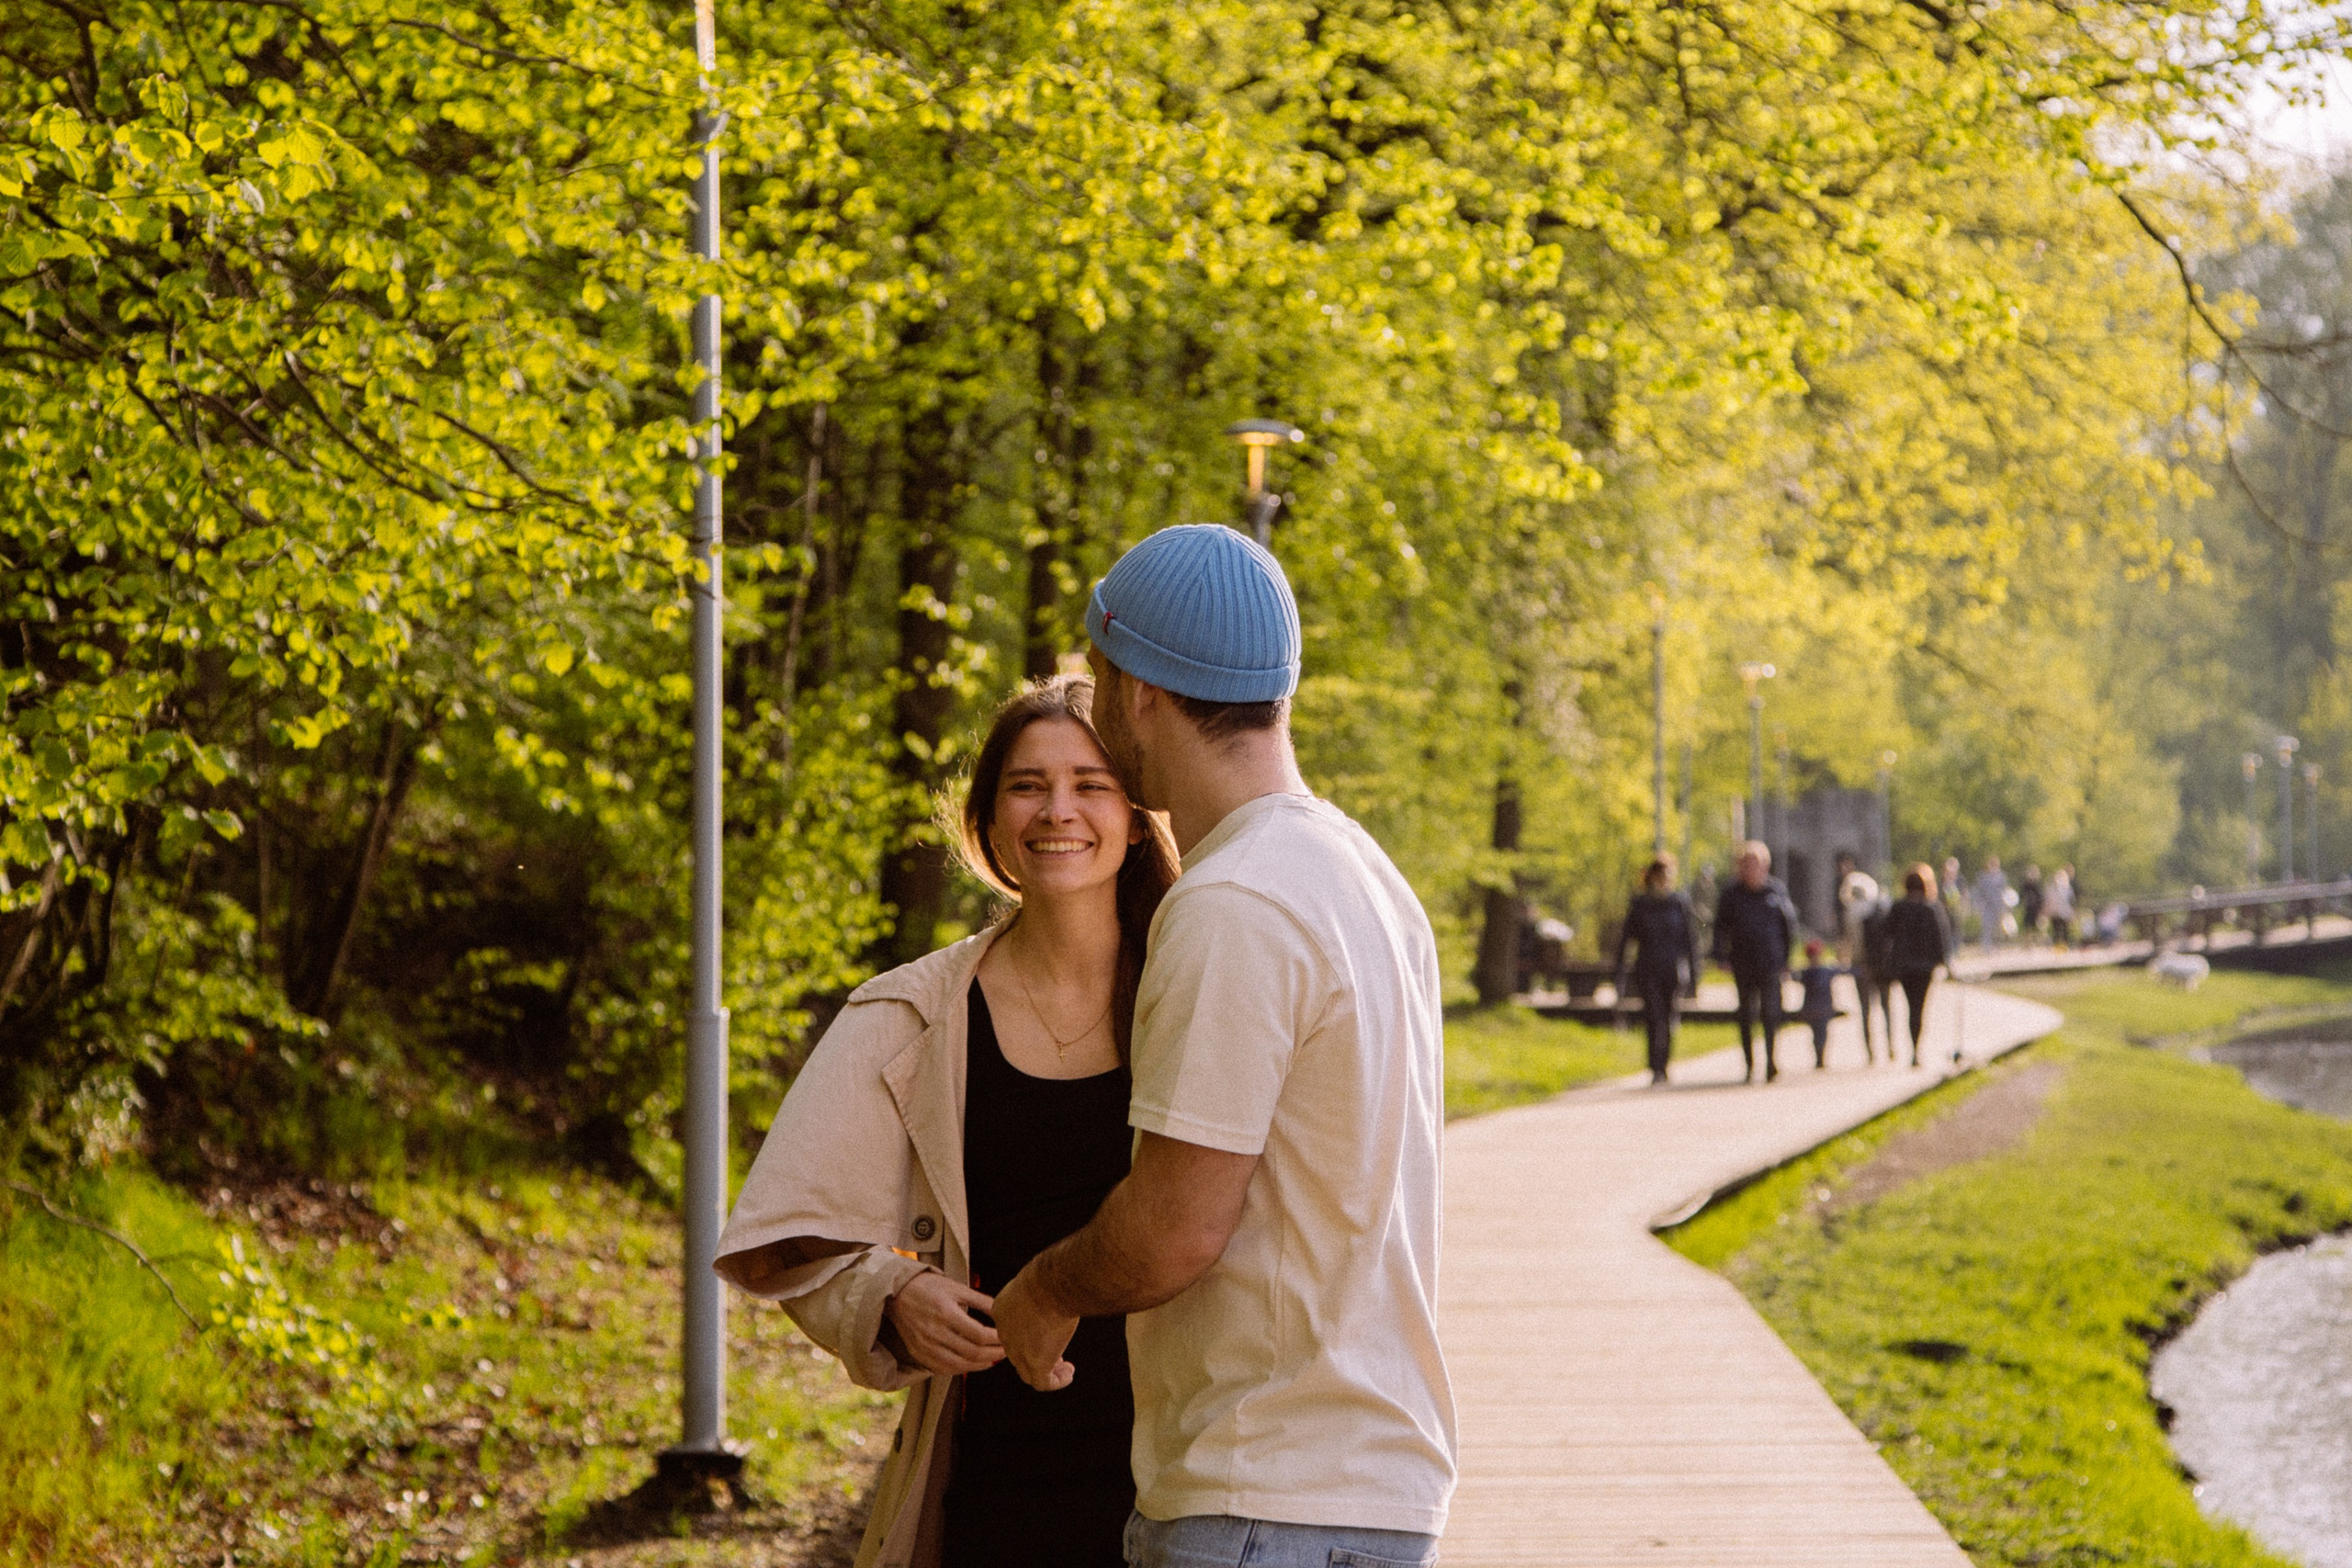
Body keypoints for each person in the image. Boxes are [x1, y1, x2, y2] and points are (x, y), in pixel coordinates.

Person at [989, 525, 1457, 1568]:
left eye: (1099, 675)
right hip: (1373, 1493)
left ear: (1139, 692)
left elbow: (1174, 1229)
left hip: (1259, 1500)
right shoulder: (1366, 877)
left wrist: (1045, 1291)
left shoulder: (1231, 903)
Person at [710, 675, 1182, 1568]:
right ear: (990, 818)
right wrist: (889, 1294)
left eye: (1089, 783)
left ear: (1134, 810)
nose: (1057, 811)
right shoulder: (915, 1012)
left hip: (1194, 1469)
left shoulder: (1199, 988)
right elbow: (784, 1238)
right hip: (997, 1467)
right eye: (1026, 784)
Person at [1712, 840, 1800, 1083]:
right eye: (1746, 865)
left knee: (1771, 1013)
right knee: (1745, 1014)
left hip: (1770, 963)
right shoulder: (1731, 894)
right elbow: (1720, 927)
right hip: (1742, 962)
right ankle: (1750, 1064)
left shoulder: (1776, 891)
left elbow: (1788, 927)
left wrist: (1786, 960)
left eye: (1756, 864)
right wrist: (1720, 956)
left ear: (1765, 866)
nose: (1751, 870)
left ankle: (1772, 1061)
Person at [1612, 854, 1702, 1085]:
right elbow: (1627, 939)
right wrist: (1619, 971)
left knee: (1669, 1016)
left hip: (1671, 968)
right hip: (1647, 967)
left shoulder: (1679, 903)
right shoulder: (1641, 905)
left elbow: (1689, 940)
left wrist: (1694, 973)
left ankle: (1664, 1063)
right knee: (1653, 1015)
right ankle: (1655, 1065)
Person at [1884, 863, 1955, 1066]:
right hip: (1925, 968)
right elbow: (1941, 938)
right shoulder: (1931, 909)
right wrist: (1944, 963)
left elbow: (1886, 933)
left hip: (1905, 967)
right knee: (1919, 1008)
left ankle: (1913, 1046)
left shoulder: (1898, 908)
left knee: (1910, 1007)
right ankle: (1917, 1048)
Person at [1836, 853, 1893, 1062]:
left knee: (1866, 1009)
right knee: (1886, 1007)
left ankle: (1870, 1051)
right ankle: (1890, 1044)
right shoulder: (1879, 909)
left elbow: (1848, 944)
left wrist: (1844, 961)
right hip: (1882, 965)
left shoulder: (1851, 913)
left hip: (1861, 965)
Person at [1793, 940, 1844, 1069]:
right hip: (1816, 1009)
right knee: (1818, 1034)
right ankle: (1819, 1056)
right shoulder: (1812, 972)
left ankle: (1820, 1056)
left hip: (1821, 1008)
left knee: (1821, 1034)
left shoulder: (1819, 971)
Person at [1973, 855, 2009, 954]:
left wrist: (2006, 907)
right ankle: (1986, 948)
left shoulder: (2002, 877)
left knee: (1998, 929)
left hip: (1999, 906)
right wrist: (1979, 906)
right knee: (1987, 927)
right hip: (1987, 906)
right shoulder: (1983, 877)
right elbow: (1979, 892)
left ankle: (1997, 947)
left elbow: (2005, 892)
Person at [2045, 863, 2077, 948]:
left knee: (2064, 930)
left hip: (2064, 912)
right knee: (2056, 930)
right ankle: (2058, 947)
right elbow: (2048, 901)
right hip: (2055, 912)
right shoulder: (2052, 889)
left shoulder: (2067, 889)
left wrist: (2072, 912)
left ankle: (2064, 947)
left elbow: (2071, 902)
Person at [2018, 864, 2045, 944]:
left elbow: (2041, 897)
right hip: (2028, 907)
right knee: (2027, 924)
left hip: (2036, 908)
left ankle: (2037, 941)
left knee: (2038, 925)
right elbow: (2021, 895)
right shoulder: (2025, 885)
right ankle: (2028, 941)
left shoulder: (2038, 885)